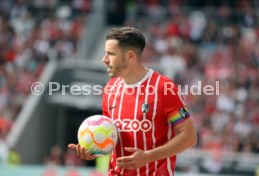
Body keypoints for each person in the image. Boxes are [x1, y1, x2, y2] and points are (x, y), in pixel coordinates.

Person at [68, 27, 197, 176]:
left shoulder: (163, 88)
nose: (104, 59)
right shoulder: (111, 88)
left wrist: (149, 156)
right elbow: (111, 136)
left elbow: (189, 137)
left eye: (110, 54)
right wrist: (94, 150)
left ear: (130, 56)